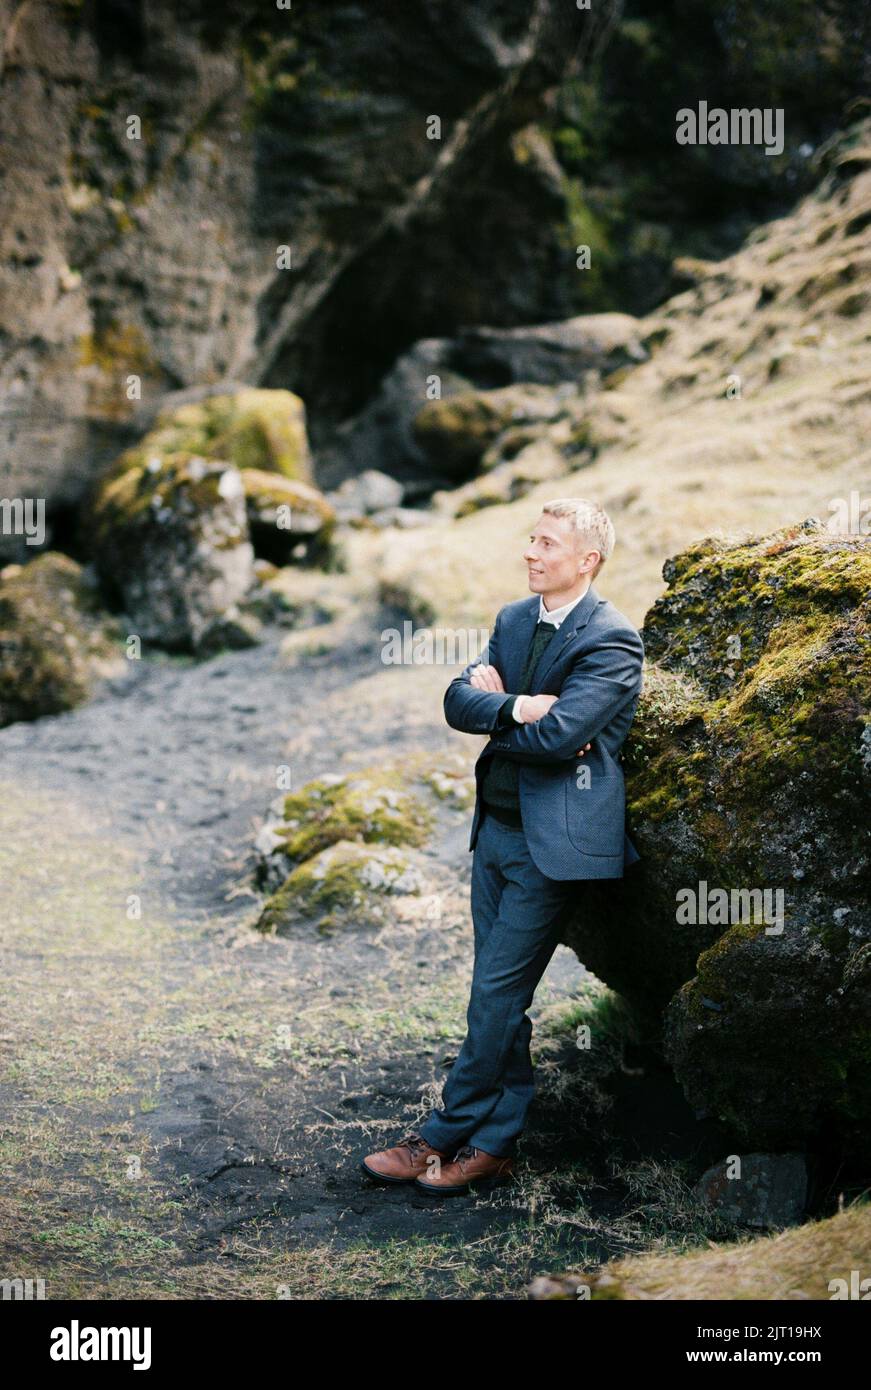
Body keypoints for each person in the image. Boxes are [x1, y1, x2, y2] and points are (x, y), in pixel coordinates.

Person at [361, 498, 644, 1197]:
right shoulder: (513, 621)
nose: (530, 552)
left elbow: (559, 743)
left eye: (548, 544)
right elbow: (458, 703)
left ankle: (438, 1133)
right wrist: (518, 705)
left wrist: (505, 713)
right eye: (530, 538)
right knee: (499, 997)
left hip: (552, 849)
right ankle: (493, 1143)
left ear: (586, 561)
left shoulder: (611, 641)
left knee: (491, 994)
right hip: (490, 833)